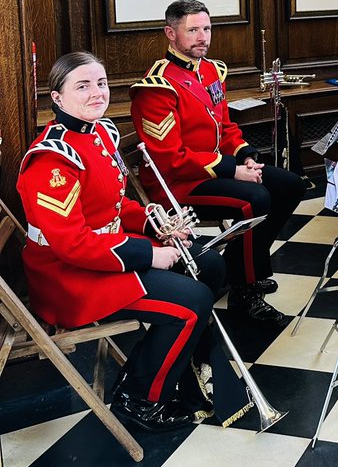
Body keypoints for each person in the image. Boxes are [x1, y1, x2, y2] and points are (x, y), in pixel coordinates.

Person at [17, 52, 225, 432]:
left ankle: (182, 362)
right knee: (192, 302)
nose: (97, 93)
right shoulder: (51, 160)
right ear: (58, 98)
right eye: (83, 86)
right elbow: (71, 245)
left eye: (101, 83)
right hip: (68, 278)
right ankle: (140, 400)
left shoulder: (100, 132)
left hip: (104, 254)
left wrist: (154, 223)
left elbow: (114, 205)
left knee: (209, 262)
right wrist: (150, 254)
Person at [130, 0, 306, 325]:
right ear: (171, 33)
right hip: (177, 185)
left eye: (206, 28)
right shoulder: (156, 87)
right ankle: (245, 288)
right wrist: (232, 170)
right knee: (256, 199)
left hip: (214, 170)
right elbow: (171, 160)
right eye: (193, 30)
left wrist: (246, 156)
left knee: (291, 185)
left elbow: (225, 127)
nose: (202, 37)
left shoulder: (211, 70)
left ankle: (240, 268)